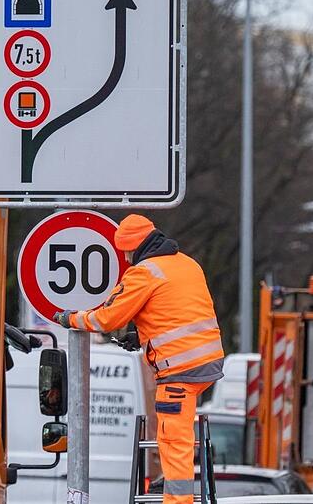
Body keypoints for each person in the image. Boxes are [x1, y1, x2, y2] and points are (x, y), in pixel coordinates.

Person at [54, 214, 224, 504]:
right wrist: (142, 336)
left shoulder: (144, 272)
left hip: (179, 372)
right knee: (175, 438)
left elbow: (107, 319)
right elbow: (176, 311)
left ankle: (177, 501)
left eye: (126, 253)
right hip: (207, 363)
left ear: (132, 249)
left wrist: (70, 319)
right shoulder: (186, 263)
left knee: (173, 442)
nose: (126, 259)